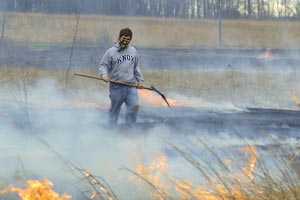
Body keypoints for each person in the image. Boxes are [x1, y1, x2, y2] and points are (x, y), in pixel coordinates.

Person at [99, 28, 144, 128]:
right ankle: (111, 130)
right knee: (114, 110)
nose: (125, 41)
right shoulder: (111, 52)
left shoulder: (133, 51)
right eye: (123, 38)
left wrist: (140, 81)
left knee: (134, 106)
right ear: (119, 37)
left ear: (130, 40)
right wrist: (104, 75)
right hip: (116, 86)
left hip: (131, 86)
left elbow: (136, 67)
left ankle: (131, 129)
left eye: (128, 39)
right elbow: (103, 65)